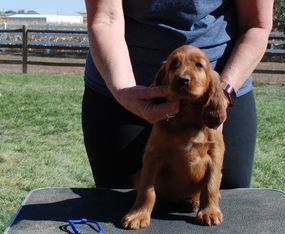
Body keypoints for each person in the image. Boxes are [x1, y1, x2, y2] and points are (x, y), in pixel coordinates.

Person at [83, 0, 274, 189]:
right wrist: (124, 92)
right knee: (119, 201)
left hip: (219, 89)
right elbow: (106, 18)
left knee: (228, 198)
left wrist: (222, 94)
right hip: (123, 85)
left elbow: (256, 24)